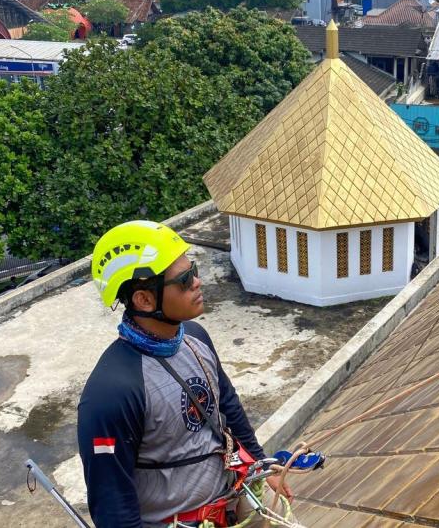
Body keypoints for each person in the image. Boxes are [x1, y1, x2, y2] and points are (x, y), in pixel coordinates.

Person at [78, 220, 292, 527]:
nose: (197, 282)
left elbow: (227, 405)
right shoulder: (112, 392)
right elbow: (113, 505)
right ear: (144, 300)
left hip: (230, 502)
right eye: (184, 280)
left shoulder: (195, 337)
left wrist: (260, 466)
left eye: (194, 270)